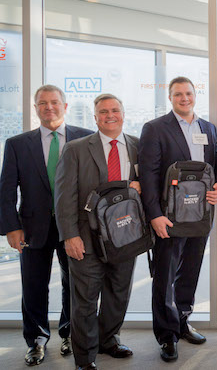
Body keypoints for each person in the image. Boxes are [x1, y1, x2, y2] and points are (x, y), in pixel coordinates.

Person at [0, 85, 91, 366]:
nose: (48, 107)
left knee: (73, 284)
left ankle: (69, 334)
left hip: (74, 228)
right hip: (32, 228)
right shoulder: (17, 144)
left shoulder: (86, 138)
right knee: (33, 286)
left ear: (65, 106)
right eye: (42, 103)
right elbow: (6, 190)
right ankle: (37, 340)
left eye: (54, 102)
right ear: (36, 108)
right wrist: (11, 227)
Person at [139, 76, 217, 362]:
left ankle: (182, 321)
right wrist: (155, 215)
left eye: (188, 93)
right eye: (178, 94)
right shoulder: (155, 128)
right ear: (170, 97)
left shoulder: (208, 128)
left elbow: (215, 166)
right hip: (169, 216)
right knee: (165, 275)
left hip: (200, 214)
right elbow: (148, 175)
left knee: (189, 271)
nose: (184, 98)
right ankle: (166, 335)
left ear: (195, 95)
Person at [54, 93, 139, 370]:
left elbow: (149, 184)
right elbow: (64, 196)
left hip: (125, 235)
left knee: (118, 293)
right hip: (86, 237)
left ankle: (108, 340)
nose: (110, 115)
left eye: (115, 110)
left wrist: (141, 186)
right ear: (95, 118)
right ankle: (85, 357)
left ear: (123, 114)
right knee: (85, 300)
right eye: (103, 112)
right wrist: (70, 235)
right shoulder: (76, 149)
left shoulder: (137, 146)